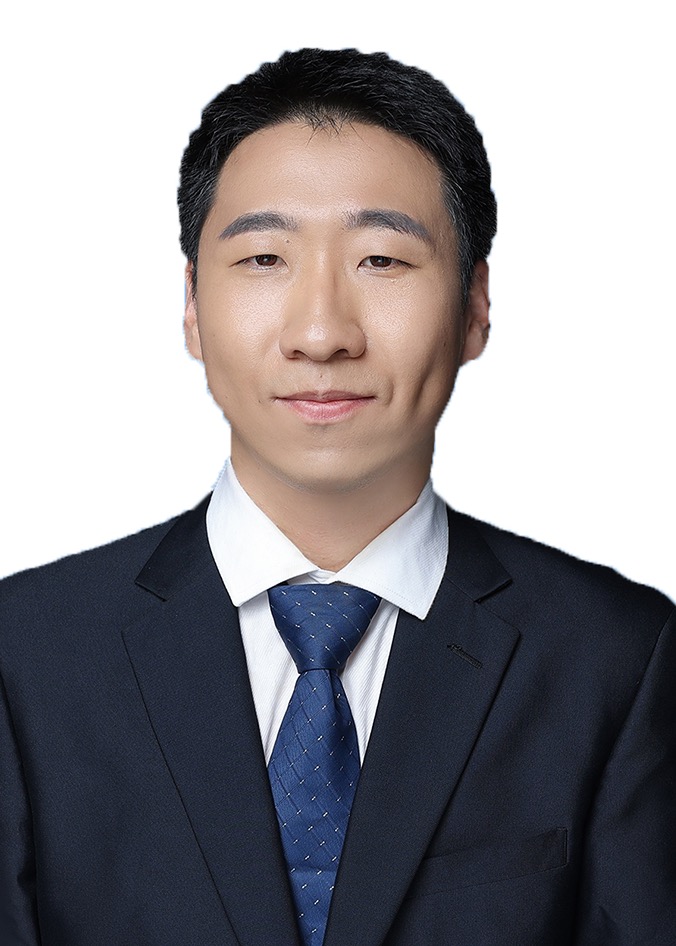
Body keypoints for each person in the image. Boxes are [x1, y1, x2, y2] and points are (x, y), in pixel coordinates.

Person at [0, 47, 674, 946]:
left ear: (475, 305)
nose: (321, 333)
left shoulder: (618, 658)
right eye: (264, 257)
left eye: (382, 260)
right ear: (192, 305)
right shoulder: (26, 656)